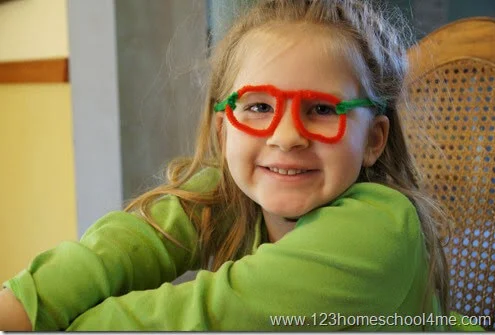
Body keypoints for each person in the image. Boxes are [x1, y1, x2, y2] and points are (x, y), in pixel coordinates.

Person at [0, 0, 465, 331]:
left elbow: (209, 318)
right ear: (225, 133)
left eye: (322, 110)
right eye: (259, 108)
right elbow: (126, 244)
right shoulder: (228, 194)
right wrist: (29, 304)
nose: (285, 136)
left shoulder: (380, 230)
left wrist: (62, 325)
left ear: (374, 140)